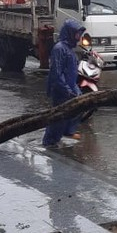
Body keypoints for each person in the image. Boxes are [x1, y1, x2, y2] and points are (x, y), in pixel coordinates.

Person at [42, 18, 86, 147]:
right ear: (69, 33)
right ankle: (50, 142)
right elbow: (57, 73)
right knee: (59, 118)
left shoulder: (68, 49)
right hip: (61, 90)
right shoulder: (60, 49)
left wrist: (74, 90)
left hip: (70, 87)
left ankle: (67, 131)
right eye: (77, 34)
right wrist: (66, 90)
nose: (78, 37)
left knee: (77, 109)